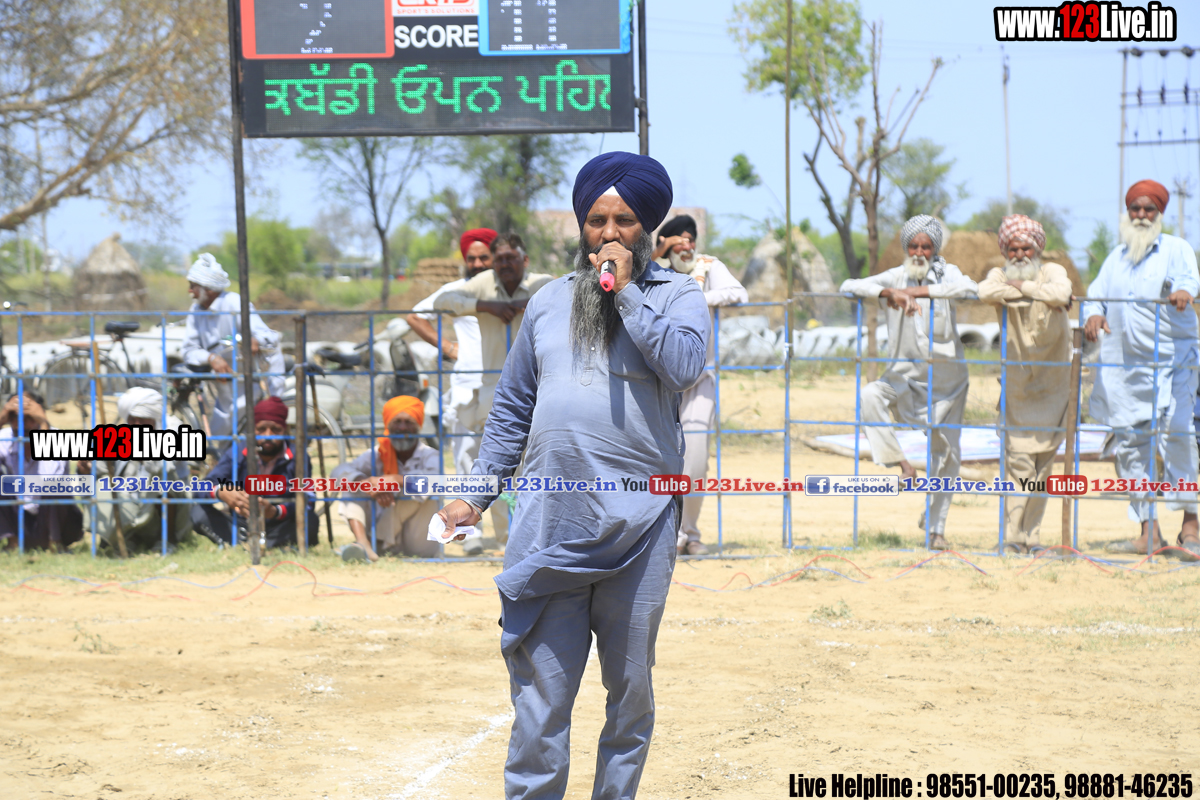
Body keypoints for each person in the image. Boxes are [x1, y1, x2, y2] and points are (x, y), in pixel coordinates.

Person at [436, 152, 708, 800]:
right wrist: (475, 495)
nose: (608, 233)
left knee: (630, 693)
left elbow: (683, 367)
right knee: (541, 701)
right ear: (582, 226)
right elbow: (512, 407)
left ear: (647, 227)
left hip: (640, 529)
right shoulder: (548, 302)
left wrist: (628, 294)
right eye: (596, 221)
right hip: (551, 527)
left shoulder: (678, 297)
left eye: (624, 221)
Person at [840, 215, 978, 551]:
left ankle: (936, 529)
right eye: (913, 246)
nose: (919, 252)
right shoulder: (895, 276)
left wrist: (918, 292)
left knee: (948, 456)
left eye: (926, 247)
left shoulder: (947, 273)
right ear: (906, 248)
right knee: (870, 395)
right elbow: (848, 286)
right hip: (902, 378)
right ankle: (903, 466)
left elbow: (970, 289)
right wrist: (889, 293)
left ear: (934, 249)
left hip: (947, 383)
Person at [1083, 179, 1200, 559]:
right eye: (1135, 208)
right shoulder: (1116, 258)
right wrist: (1094, 314)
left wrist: (1184, 292)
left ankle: (1191, 528)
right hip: (1125, 370)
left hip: (1173, 364)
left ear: (1160, 213)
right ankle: (1148, 533)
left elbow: (1189, 281)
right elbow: (1094, 297)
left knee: (1179, 437)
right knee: (1131, 447)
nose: (1141, 215)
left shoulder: (1176, 250)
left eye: (1149, 209)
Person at [433, 232, 555, 550]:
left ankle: (534, 539)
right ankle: (505, 540)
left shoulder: (542, 285)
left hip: (540, 389)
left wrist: (531, 306)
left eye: (511, 258)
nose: (505, 264)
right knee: (497, 467)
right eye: (499, 259)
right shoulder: (484, 284)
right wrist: (486, 306)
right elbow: (441, 301)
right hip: (495, 391)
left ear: (524, 260)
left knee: (536, 467)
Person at [977, 215, 1073, 554]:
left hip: (1054, 385)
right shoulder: (999, 274)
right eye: (1013, 249)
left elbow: (1062, 293)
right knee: (1018, 462)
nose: (1019, 255)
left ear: (1037, 250)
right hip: (1018, 386)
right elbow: (985, 291)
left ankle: (1032, 537)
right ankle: (1012, 536)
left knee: (1044, 466)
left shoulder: (1053, 271)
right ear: (1006, 251)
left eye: (1026, 249)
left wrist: (1023, 288)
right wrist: (1029, 291)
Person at [654, 213, 748, 556]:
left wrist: (694, 298)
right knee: (653, 460)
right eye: (677, 240)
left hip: (699, 378)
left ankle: (688, 533)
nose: (686, 246)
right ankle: (659, 535)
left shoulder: (707, 267)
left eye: (690, 239)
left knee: (695, 458)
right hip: (658, 382)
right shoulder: (655, 271)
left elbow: (738, 293)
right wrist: (657, 252)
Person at [405, 228, 498, 555]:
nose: (478, 263)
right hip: (466, 387)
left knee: (510, 463)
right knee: (466, 457)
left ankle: (509, 536)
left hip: (505, 387)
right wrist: (448, 347)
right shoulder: (456, 290)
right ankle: (469, 534)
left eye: (484, 257)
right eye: (472, 258)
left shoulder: (509, 292)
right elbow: (415, 316)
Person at [180, 253, 286, 442]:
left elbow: (267, 336)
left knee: (255, 427)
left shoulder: (234, 303)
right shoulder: (195, 311)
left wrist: (254, 340)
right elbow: (189, 350)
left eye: (193, 286)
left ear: (208, 289)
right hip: (225, 383)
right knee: (221, 436)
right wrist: (211, 358)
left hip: (251, 379)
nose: (190, 291)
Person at [191, 396, 319, 550]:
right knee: (197, 512)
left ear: (285, 430)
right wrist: (221, 492)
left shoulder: (297, 456)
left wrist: (276, 511)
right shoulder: (238, 452)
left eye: (275, 430)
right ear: (253, 430)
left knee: (311, 521)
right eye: (261, 429)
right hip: (242, 524)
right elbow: (201, 487)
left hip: (278, 524)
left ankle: (255, 545)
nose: (268, 436)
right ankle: (247, 543)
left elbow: (308, 501)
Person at [332, 395, 441, 561]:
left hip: (417, 541)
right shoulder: (378, 453)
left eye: (408, 422)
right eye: (397, 421)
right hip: (381, 530)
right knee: (352, 482)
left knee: (417, 491)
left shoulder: (430, 455)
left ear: (418, 426)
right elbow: (338, 471)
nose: (402, 427)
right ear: (388, 425)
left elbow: (437, 482)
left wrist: (395, 480)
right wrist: (365, 482)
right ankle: (363, 544)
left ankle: (373, 543)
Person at [88, 387, 194, 552]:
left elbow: (164, 465)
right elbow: (100, 472)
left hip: (171, 512)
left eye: (143, 420)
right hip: (134, 510)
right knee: (104, 484)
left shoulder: (172, 428)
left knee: (162, 477)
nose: (137, 425)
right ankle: (127, 538)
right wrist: (89, 466)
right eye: (132, 420)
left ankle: (167, 539)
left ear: (154, 418)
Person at [0, 390, 84, 551]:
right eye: (14, 416)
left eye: (29, 416)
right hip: (20, 518)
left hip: (56, 519)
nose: (21, 423)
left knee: (55, 484)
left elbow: (50, 478)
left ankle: (55, 543)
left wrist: (44, 426)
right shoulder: (4, 437)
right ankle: (13, 542)